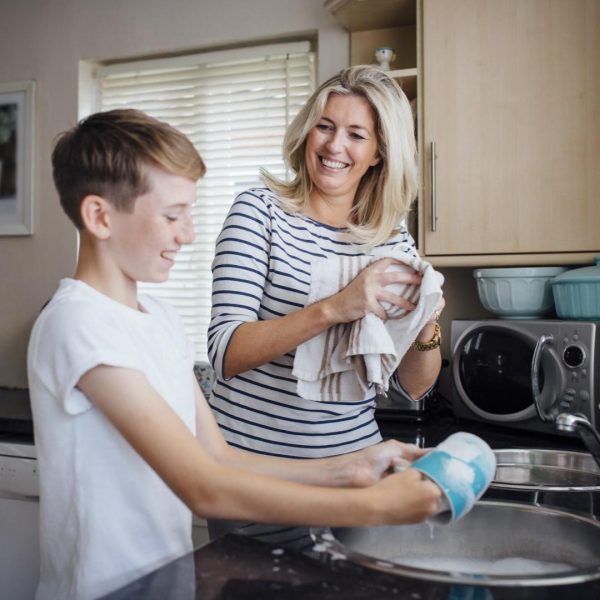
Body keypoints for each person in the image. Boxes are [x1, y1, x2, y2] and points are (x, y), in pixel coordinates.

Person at [27, 108, 441, 600]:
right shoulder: (77, 322)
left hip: (167, 583)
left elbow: (216, 455)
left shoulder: (157, 318)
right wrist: (376, 508)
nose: (189, 234)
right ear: (99, 216)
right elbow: (204, 487)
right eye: (172, 215)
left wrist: (352, 470)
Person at [207, 65, 445, 546]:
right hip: (257, 485)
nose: (335, 146)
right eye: (326, 126)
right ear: (307, 130)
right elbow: (224, 352)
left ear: (379, 153)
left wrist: (425, 326)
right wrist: (336, 306)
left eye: (357, 134)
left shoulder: (391, 237)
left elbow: (412, 386)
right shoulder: (259, 212)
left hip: (357, 482)